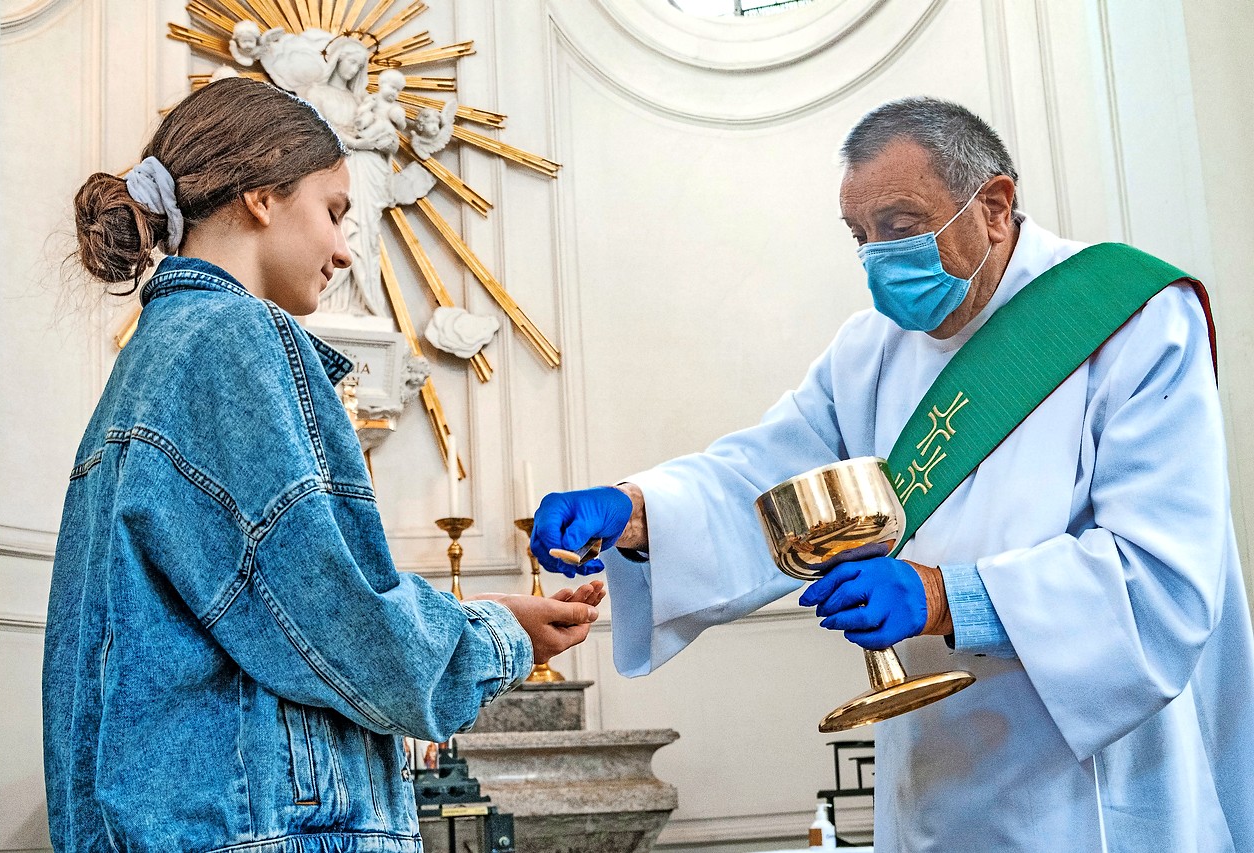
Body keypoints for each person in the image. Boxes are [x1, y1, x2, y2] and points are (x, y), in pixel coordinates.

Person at [529, 97, 1254, 851]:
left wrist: (948, 596)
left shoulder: (1131, 321)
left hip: (1095, 787)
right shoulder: (869, 351)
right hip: (935, 783)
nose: (877, 256)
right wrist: (637, 510)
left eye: (899, 228)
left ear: (996, 206)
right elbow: (769, 476)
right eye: (860, 235)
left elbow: (1161, 574)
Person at [50, 76, 604, 853]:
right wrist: (500, 640)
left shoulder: (148, 363)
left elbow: (268, 599)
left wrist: (476, 612)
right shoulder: (239, 339)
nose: (347, 248)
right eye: (335, 209)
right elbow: (343, 624)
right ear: (263, 194)